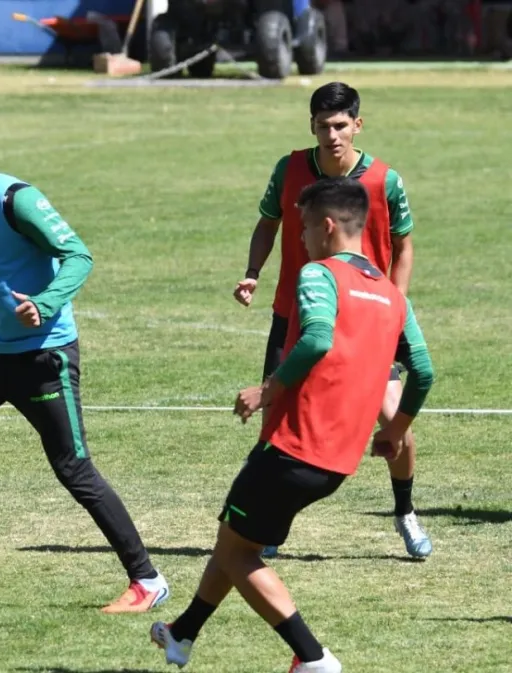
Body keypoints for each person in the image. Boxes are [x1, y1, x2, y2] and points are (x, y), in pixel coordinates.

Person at [153, 177, 435, 672]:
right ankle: (182, 634)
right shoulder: (393, 296)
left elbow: (317, 338)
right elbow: (425, 371)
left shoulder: (319, 274)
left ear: (326, 226)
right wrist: (395, 430)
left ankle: (313, 658)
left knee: (239, 554)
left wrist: (267, 390)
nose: (300, 238)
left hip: (292, 448)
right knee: (234, 537)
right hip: (338, 460)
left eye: (303, 227)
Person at [0, 109, 170, 613]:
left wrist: (44, 304)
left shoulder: (15, 200)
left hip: (44, 356)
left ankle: (148, 580)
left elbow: (79, 256)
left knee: (73, 468)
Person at [233, 81, 431, 559]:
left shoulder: (384, 180)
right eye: (323, 126)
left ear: (357, 125)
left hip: (367, 317)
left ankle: (405, 511)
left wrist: (394, 306)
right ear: (312, 126)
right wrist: (253, 273)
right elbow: (268, 223)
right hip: (294, 315)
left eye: (341, 125)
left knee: (394, 419)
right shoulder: (289, 169)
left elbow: (403, 246)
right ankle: (268, 526)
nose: (332, 135)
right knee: (274, 416)